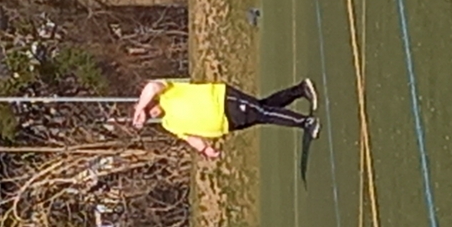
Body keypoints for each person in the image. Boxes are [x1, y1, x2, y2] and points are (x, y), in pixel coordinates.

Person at [131, 77, 317, 158]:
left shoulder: (166, 92)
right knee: (263, 109)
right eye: (148, 116)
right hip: (228, 123)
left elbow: (151, 87)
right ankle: (300, 89)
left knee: (263, 113)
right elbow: (189, 137)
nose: (150, 114)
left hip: (224, 101)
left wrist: (139, 107)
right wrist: (205, 149)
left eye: (148, 109)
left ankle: (305, 122)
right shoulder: (168, 124)